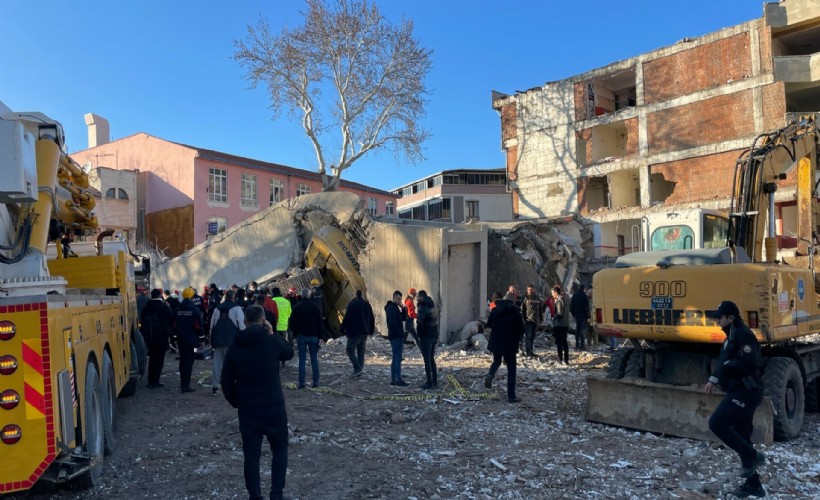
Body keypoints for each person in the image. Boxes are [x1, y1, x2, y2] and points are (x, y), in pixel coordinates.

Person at [221, 305, 293, 500]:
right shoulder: (270, 342)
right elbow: (288, 352)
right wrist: (273, 334)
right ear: (263, 321)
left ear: (244, 322)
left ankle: (255, 496)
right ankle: (276, 494)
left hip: (248, 410)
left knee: (251, 456)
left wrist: (237, 401)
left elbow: (225, 381)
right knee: (279, 449)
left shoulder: (235, 347)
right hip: (273, 406)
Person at [705, 300, 766, 498]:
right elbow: (724, 361)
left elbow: (750, 362)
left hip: (746, 392)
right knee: (742, 435)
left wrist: (729, 366)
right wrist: (714, 379)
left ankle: (752, 455)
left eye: (720, 318)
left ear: (730, 318)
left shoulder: (743, 335)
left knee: (717, 423)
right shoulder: (730, 335)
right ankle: (754, 485)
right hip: (737, 389)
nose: (717, 322)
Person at [484, 291, 525, 403]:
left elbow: (489, 324)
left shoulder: (495, 310)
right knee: (511, 370)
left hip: (496, 343)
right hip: (510, 345)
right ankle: (511, 396)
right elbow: (522, 329)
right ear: (513, 302)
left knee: (496, 361)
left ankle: (490, 374)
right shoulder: (516, 313)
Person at [210, 290, 244, 396]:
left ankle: (215, 387)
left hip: (218, 341)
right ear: (234, 297)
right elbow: (242, 326)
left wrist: (212, 341)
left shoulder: (217, 308)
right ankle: (235, 385)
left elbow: (212, 326)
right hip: (232, 341)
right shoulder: (237, 308)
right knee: (235, 364)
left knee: (217, 364)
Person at [289, 289, 322, 389]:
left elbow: (292, 323)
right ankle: (315, 382)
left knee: (302, 359)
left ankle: (302, 383)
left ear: (301, 296)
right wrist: (320, 336)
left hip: (301, 336)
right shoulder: (315, 307)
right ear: (309, 295)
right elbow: (320, 323)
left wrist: (295, 334)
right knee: (314, 359)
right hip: (313, 336)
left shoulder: (297, 307)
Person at [141, 288, 174, 389]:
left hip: (149, 337)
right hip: (161, 337)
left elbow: (142, 321)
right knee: (159, 359)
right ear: (160, 295)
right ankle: (156, 381)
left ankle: (150, 380)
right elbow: (170, 320)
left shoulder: (146, 307)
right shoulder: (164, 306)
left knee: (152, 359)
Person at [340, 290, 374, 377]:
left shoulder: (352, 304)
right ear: (361, 295)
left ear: (354, 295)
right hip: (365, 331)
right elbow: (371, 318)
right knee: (361, 351)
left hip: (355, 331)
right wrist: (371, 330)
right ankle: (360, 370)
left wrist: (342, 328)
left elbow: (347, 318)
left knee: (349, 349)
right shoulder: (367, 304)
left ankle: (357, 368)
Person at [175, 287, 203, 393]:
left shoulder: (177, 309)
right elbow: (199, 326)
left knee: (183, 361)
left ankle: (183, 382)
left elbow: (173, 324)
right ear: (192, 296)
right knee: (188, 361)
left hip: (180, 339)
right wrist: (201, 337)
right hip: (191, 339)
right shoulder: (194, 310)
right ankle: (185, 385)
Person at [416, 290, 439, 390]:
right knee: (431, 359)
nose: (416, 298)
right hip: (434, 334)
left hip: (426, 336)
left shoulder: (422, 307)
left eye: (417, 297)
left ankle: (429, 383)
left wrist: (419, 335)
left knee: (427, 360)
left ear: (421, 297)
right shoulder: (432, 305)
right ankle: (435, 381)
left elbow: (420, 323)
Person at [385, 290, 409, 387]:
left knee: (395, 358)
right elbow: (392, 323)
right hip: (396, 336)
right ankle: (398, 379)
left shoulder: (395, 308)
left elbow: (403, 318)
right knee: (397, 358)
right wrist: (399, 334)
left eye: (400, 299)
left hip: (396, 335)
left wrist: (403, 308)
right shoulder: (391, 308)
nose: (399, 301)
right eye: (398, 299)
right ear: (394, 297)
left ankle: (394, 380)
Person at [520, 284, 543, 357]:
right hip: (528, 321)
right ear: (527, 290)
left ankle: (531, 351)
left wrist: (541, 318)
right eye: (528, 289)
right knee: (528, 337)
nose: (530, 291)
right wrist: (523, 320)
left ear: (533, 290)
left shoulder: (537, 298)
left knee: (532, 337)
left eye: (531, 289)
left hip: (535, 320)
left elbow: (540, 309)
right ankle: (528, 352)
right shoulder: (525, 298)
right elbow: (522, 310)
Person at [551, 285, 570, 365]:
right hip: (565, 324)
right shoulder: (565, 300)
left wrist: (553, 317)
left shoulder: (559, 301)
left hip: (559, 324)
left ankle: (560, 359)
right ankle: (566, 359)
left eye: (552, 293)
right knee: (565, 342)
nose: (552, 295)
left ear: (556, 292)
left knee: (559, 342)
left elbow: (559, 314)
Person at [570, 284, 591, 350]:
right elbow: (586, 308)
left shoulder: (574, 295)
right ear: (584, 289)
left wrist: (573, 314)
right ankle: (582, 346)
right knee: (583, 330)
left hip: (576, 315)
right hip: (583, 316)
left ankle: (577, 345)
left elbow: (571, 305)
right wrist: (588, 316)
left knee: (577, 330)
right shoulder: (585, 296)